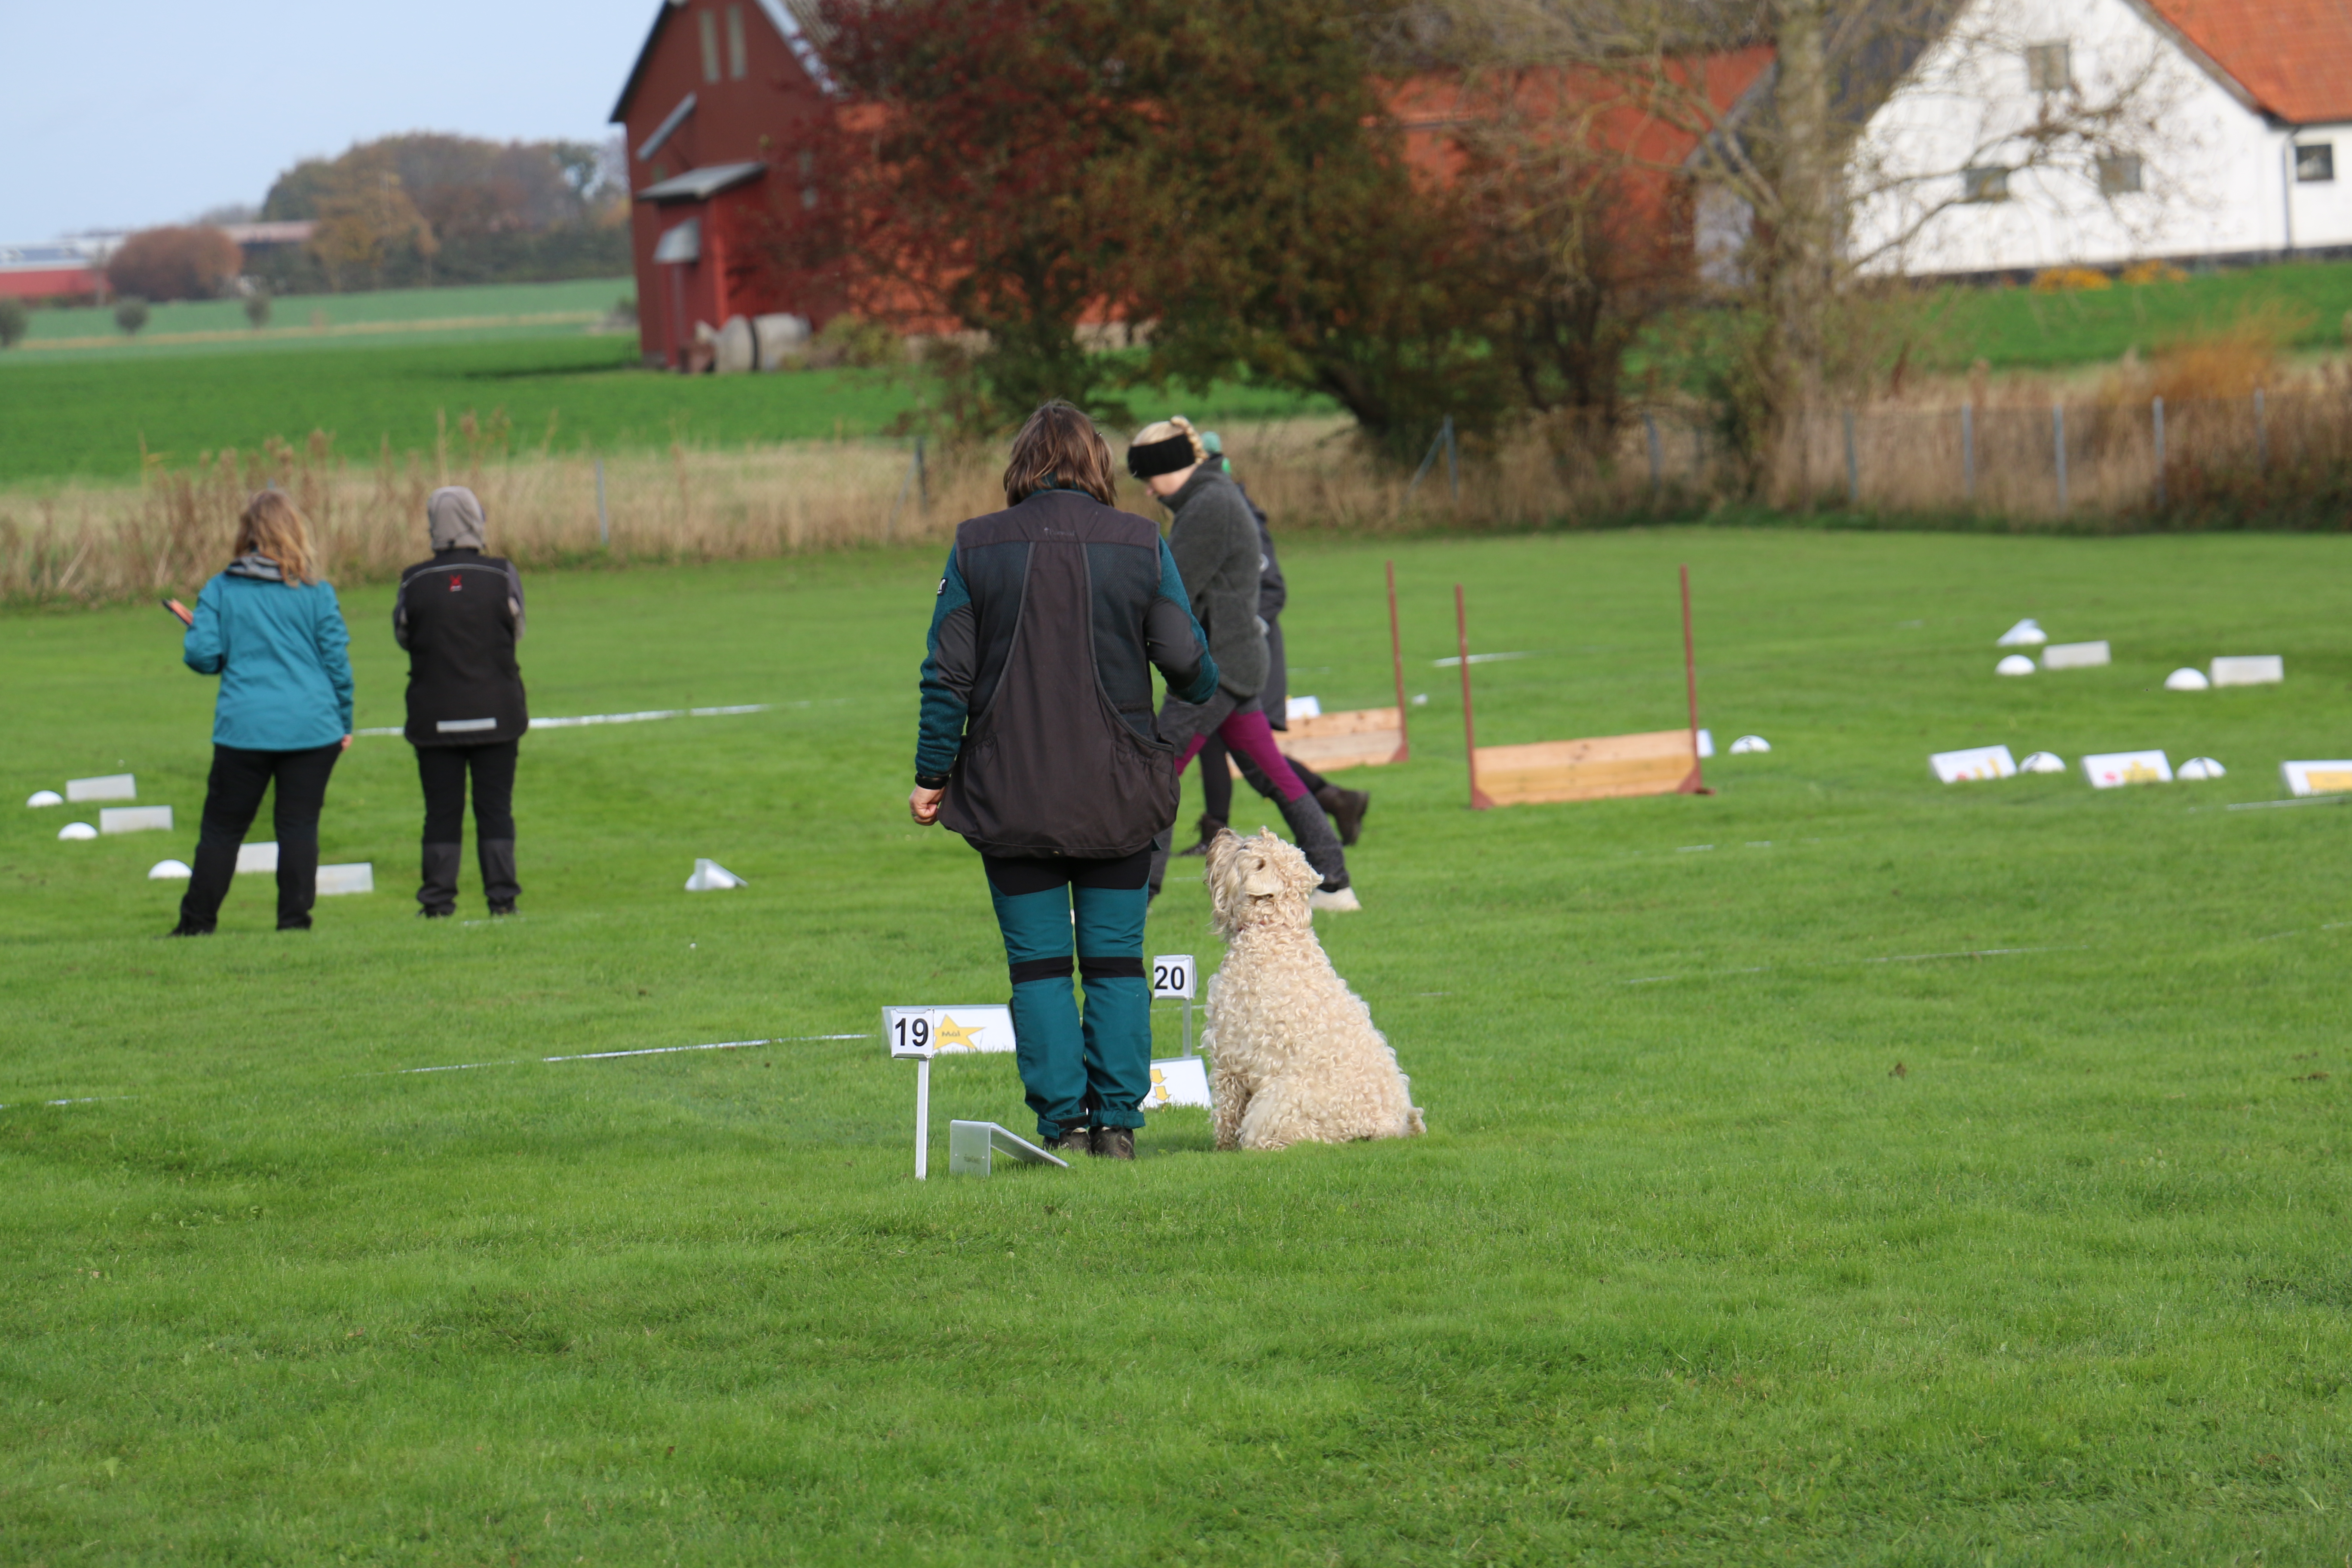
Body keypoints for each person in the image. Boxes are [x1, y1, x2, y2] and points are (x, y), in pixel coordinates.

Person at [908, 401, 1219, 1160]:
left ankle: (1063, 1124)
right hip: (1119, 795)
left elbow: (946, 676)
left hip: (1009, 793)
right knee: (1115, 961)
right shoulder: (1141, 541)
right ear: (1098, 465)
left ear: (1020, 465)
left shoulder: (975, 545)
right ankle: (1116, 1124)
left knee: (1039, 967)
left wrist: (930, 775)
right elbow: (1189, 665)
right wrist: (1165, 735)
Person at [1126, 415, 1357, 911]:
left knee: (1159, 769)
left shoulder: (1210, 506)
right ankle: (1334, 883)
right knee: (1271, 773)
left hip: (1218, 668)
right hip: (1236, 658)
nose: (1147, 492)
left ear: (1172, 467)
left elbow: (1170, 589)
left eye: (1148, 478)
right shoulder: (1210, 498)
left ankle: (1135, 892)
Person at [164, 491, 354, 936]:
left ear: (246, 534)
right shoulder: (316, 592)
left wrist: (205, 633)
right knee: (299, 827)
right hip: (313, 727)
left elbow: (203, 658)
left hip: (244, 730)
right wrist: (343, 721)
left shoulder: (220, 589)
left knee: (223, 831)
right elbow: (337, 667)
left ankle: (196, 925)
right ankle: (294, 925)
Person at [1180, 430, 1369, 856]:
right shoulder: (1202, 512)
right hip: (1215, 658)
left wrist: (1241, 637)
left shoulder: (1240, 513)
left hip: (1248, 656)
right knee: (1221, 744)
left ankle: (1334, 806)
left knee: (1253, 758)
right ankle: (1219, 832)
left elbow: (1272, 590)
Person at [394, 487, 530, 918]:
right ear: (476, 520)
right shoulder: (501, 573)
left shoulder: (413, 580)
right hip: (498, 714)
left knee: (440, 811)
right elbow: (518, 629)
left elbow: (403, 636)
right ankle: (502, 901)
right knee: (495, 808)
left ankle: (437, 902)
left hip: (435, 716)